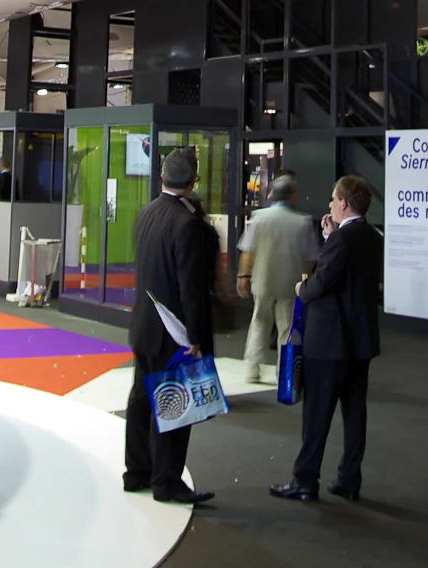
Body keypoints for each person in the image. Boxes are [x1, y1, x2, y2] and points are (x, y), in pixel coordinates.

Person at [271, 175, 385, 502]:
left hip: (329, 342)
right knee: (354, 414)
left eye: (334, 199)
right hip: (360, 341)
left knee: (317, 415)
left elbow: (321, 283)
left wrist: (300, 289)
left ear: (345, 204)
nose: (330, 204)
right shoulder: (371, 236)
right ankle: (349, 479)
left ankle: (305, 480)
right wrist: (329, 236)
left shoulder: (341, 241)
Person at [124, 148, 219, 506]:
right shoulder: (187, 224)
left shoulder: (145, 213)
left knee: (141, 399)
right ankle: (166, 481)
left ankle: (137, 471)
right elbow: (190, 286)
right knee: (174, 404)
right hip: (174, 330)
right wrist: (195, 336)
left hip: (144, 323)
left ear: (162, 176)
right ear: (194, 181)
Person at [237, 175, 317, 384]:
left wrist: (243, 277)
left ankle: (252, 368)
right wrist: (305, 280)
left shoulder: (258, 217)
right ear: (292, 196)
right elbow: (310, 259)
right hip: (290, 285)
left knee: (259, 324)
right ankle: (285, 372)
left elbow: (248, 252)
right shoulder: (303, 222)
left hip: (262, 281)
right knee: (287, 330)